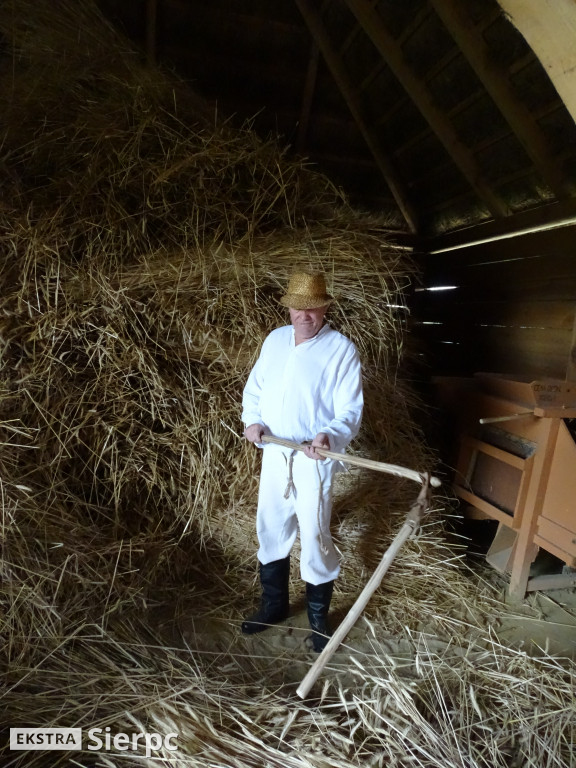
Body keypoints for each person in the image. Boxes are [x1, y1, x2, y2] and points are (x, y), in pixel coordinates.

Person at [241, 271, 363, 652]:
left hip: (314, 459)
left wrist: (329, 435)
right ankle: (274, 606)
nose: (304, 315)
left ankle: (318, 620)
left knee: (314, 534)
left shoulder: (341, 350)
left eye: (312, 308)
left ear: (325, 307)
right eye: (298, 308)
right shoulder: (275, 341)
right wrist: (253, 420)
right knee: (271, 525)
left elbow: (349, 408)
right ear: (288, 307)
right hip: (276, 454)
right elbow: (255, 389)